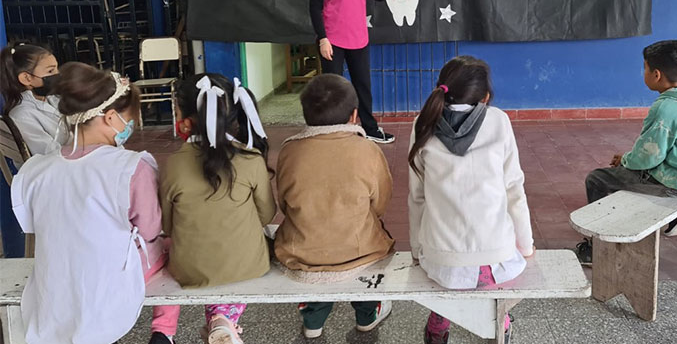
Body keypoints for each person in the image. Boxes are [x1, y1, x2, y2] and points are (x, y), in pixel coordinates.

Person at [10, 62, 179, 344]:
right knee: (175, 248)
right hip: (108, 285)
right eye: (129, 117)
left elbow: (32, 226)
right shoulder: (131, 167)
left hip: (54, 283)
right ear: (110, 117)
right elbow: (150, 229)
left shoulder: (35, 170)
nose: (130, 126)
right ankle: (164, 332)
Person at [408, 56, 534, 344]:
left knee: (451, 279)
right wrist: (526, 246)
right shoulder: (499, 120)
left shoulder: (423, 123)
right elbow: (514, 189)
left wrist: (417, 251)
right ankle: (499, 323)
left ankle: (439, 324)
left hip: (441, 261)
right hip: (496, 260)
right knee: (495, 273)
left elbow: (416, 197)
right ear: (485, 97)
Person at [574, 41, 677, 265]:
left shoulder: (665, 108)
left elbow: (648, 157)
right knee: (623, 170)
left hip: (676, 184)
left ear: (656, 74)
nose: (644, 72)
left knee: (598, 179)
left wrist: (626, 160)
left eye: (645, 68)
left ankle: (597, 249)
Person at [274, 73, 394, 339]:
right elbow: (381, 203)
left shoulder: (289, 151)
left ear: (305, 115)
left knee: (310, 236)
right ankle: (367, 316)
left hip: (302, 253)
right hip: (360, 252)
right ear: (354, 116)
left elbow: (284, 202)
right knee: (371, 240)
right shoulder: (368, 150)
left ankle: (313, 320)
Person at [160, 74, 277, 344]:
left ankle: (221, 320)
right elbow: (267, 216)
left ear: (186, 122)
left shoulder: (174, 164)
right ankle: (224, 320)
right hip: (250, 265)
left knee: (206, 258)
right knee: (241, 250)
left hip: (188, 270)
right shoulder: (250, 159)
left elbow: (167, 226)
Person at [310, 0, 395, 144]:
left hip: (358, 39)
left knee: (363, 86)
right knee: (332, 89)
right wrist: (323, 38)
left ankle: (370, 128)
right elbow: (314, 7)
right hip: (332, 40)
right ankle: (330, 131)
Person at [1, 43, 68, 154]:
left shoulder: (53, 98)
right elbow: (49, 153)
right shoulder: (22, 115)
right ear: (26, 78)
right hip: (53, 167)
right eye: (50, 71)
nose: (58, 74)